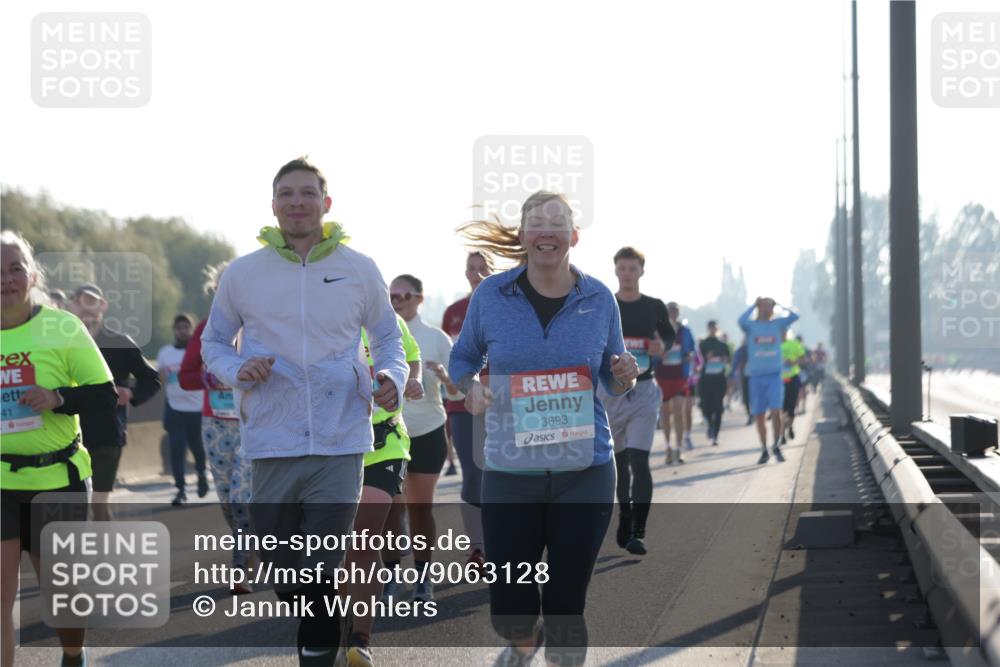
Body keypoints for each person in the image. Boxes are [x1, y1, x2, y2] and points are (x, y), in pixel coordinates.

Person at [201, 157, 407, 665]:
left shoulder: (359, 268)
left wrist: (391, 379)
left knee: (322, 565)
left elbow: (386, 338)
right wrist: (237, 369)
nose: (298, 202)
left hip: (342, 439)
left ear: (326, 203)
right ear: (273, 205)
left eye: (308, 193)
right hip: (273, 439)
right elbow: (214, 342)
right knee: (288, 574)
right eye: (287, 194)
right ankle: (327, 616)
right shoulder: (244, 273)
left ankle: (323, 651)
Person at [450, 191, 639, 667]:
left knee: (565, 606)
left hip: (586, 470)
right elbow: (463, 358)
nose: (547, 231)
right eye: (536, 222)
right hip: (511, 474)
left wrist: (622, 375)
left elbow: (611, 376)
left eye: (558, 223)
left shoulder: (598, 299)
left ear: (574, 236)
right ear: (522, 236)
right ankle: (522, 641)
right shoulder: (491, 295)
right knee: (510, 612)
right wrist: (468, 386)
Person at [1, 231, 118, 667]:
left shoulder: (62, 326)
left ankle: (73, 653)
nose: (6, 278)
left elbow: (106, 396)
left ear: (32, 276)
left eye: (15, 268)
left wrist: (58, 399)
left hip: (58, 480)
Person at [341, 314, 423, 667]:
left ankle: (360, 638)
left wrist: (412, 381)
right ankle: (340, 628)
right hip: (336, 445)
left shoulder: (387, 320)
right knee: (337, 545)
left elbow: (411, 358)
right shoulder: (317, 314)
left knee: (362, 539)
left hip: (385, 443)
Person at [382, 274, 458, 603]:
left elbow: (457, 390)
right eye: (393, 296)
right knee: (389, 509)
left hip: (427, 431)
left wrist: (443, 376)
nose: (398, 302)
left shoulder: (436, 338)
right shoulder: (379, 334)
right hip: (388, 433)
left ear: (419, 299)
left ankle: (423, 578)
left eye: (405, 296)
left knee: (419, 507)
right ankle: (391, 577)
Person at [179, 262, 255, 592]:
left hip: (256, 421)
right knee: (227, 497)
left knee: (243, 494)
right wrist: (211, 377)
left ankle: (241, 566)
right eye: (225, 287)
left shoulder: (266, 324)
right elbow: (185, 377)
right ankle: (250, 550)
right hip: (216, 424)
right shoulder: (206, 329)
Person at [69, 282, 161, 521]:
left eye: (91, 301)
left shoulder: (120, 342)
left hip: (107, 433)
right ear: (71, 307)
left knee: (98, 504)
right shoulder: (61, 343)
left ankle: (104, 553)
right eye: (79, 302)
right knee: (73, 506)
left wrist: (131, 393)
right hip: (67, 436)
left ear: (103, 305)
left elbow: (151, 379)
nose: (85, 308)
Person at [603, 247, 674, 556]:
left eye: (632, 268)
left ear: (641, 272)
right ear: (616, 271)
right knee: (619, 465)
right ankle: (625, 514)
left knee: (639, 460)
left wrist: (662, 345)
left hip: (644, 391)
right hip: (610, 393)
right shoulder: (607, 304)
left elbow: (668, 336)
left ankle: (638, 531)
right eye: (622, 268)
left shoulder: (654, 306)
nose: (627, 274)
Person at [441, 251, 494, 568]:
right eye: (470, 269)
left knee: (501, 475)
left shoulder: (505, 307)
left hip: (503, 404)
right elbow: (455, 361)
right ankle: (478, 548)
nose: (475, 274)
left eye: (482, 269)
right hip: (462, 405)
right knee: (473, 476)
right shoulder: (454, 313)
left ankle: (506, 541)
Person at [738, 297, 799, 464]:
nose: (766, 309)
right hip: (756, 377)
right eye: (763, 306)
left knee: (776, 410)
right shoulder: (751, 326)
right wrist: (753, 306)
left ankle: (777, 445)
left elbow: (795, 316)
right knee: (759, 415)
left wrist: (779, 303)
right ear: (759, 307)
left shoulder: (778, 324)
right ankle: (764, 448)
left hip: (774, 376)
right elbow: (740, 320)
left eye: (769, 306)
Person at [156, 313, 208, 506]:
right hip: (174, 408)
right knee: (176, 449)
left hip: (197, 408)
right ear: (174, 330)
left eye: (186, 327)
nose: (182, 331)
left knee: (198, 447)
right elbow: (160, 379)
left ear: (191, 330)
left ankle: (201, 473)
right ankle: (181, 490)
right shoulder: (165, 353)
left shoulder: (199, 351)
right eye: (179, 327)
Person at [654, 302, 695, 464]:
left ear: (679, 312)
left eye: (676, 309)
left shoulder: (685, 331)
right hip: (662, 375)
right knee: (665, 413)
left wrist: (689, 356)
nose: (673, 312)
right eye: (670, 309)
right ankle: (668, 447)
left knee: (679, 410)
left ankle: (679, 449)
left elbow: (691, 349)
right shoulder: (658, 330)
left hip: (680, 375)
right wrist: (659, 355)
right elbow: (651, 350)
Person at [698, 320, 730, 447]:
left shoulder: (723, 344)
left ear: (717, 329)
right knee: (705, 407)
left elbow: (728, 360)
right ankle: (710, 425)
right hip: (705, 380)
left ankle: (715, 435)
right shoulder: (703, 344)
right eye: (711, 327)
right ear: (708, 328)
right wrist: (706, 358)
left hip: (719, 380)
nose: (713, 329)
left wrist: (723, 359)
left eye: (715, 328)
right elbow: (697, 361)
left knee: (718, 408)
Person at [781, 331, 807, 441]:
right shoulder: (772, 345)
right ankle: (781, 435)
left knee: (791, 408)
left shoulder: (795, 344)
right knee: (781, 409)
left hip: (792, 378)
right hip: (778, 381)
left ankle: (790, 426)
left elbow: (802, 358)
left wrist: (793, 361)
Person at [730, 338, 752, 425]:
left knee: (752, 396)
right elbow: (735, 362)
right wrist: (731, 374)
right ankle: (750, 414)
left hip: (756, 376)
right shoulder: (740, 350)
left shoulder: (755, 347)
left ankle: (754, 413)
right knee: (746, 396)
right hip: (745, 376)